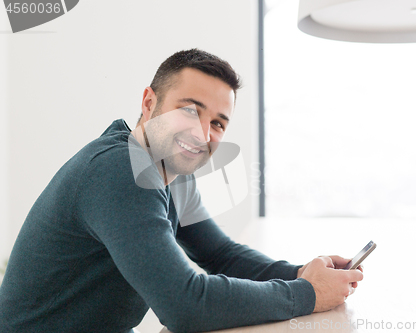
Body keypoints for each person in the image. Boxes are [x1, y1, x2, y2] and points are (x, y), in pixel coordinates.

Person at [0, 49, 363, 333]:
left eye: (217, 123)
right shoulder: (120, 169)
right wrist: (309, 294)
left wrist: (301, 273)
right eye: (189, 110)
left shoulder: (171, 169)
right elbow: (184, 305)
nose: (203, 135)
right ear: (149, 103)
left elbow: (220, 254)